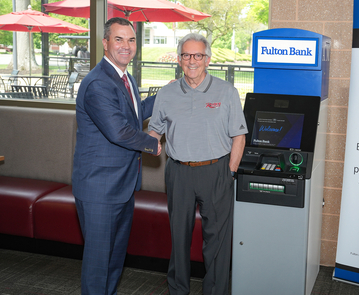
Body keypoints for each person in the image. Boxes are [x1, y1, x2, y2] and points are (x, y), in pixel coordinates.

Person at [148, 32, 248, 295]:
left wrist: (231, 172)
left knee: (217, 240)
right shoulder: (167, 93)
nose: (192, 60)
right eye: (186, 55)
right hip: (179, 172)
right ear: (179, 59)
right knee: (178, 238)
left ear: (208, 59)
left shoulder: (227, 92)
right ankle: (178, 290)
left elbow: (239, 135)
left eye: (198, 55)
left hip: (217, 171)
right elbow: (154, 132)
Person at [72, 17, 161, 295]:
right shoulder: (98, 82)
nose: (126, 45)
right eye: (119, 39)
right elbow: (119, 131)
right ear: (105, 43)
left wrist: (168, 94)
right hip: (100, 188)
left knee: (113, 262)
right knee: (99, 265)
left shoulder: (125, 77)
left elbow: (136, 113)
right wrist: (152, 144)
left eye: (131, 39)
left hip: (121, 186)